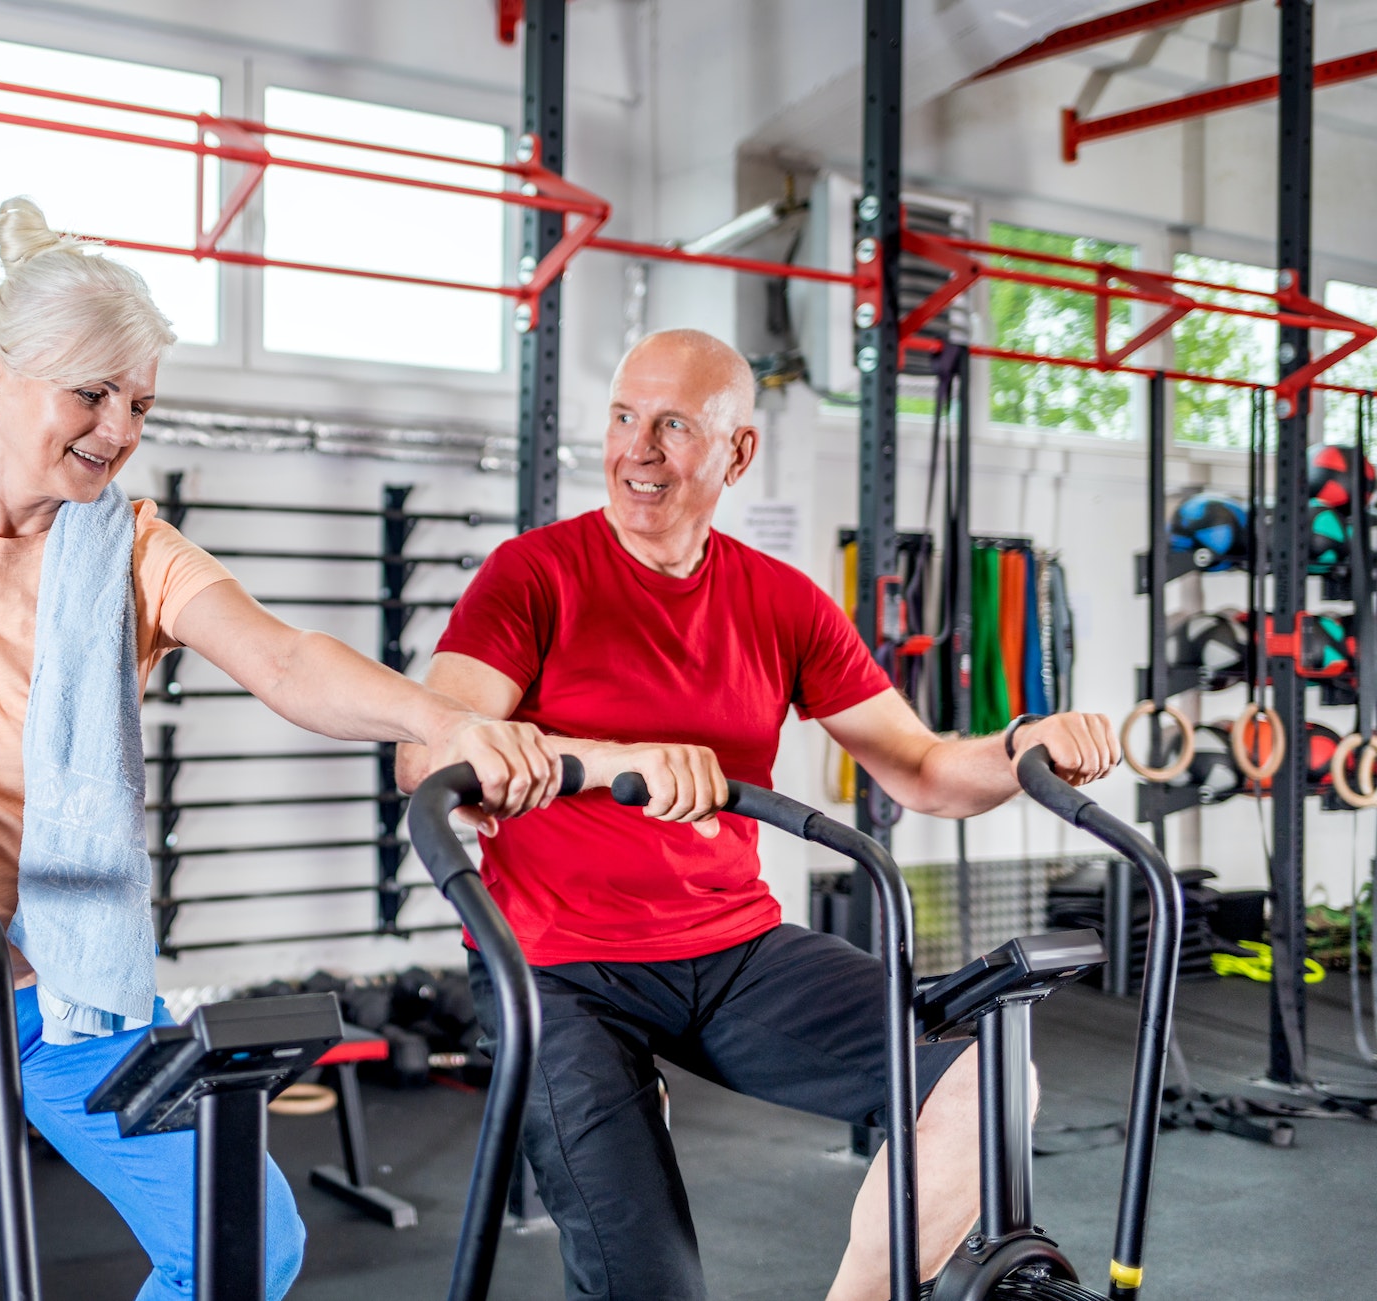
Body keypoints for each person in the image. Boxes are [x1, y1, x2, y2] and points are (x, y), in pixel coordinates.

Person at [0, 197, 564, 1301]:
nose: (119, 429)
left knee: (245, 1242)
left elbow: (284, 660)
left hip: (60, 994)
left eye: (138, 402)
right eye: (91, 393)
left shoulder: (130, 546)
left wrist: (441, 721)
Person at [397, 328, 1121, 1301]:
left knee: (987, 1080)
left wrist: (1019, 743)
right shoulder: (533, 574)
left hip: (729, 948)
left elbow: (919, 768)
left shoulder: (780, 600)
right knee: (649, 1284)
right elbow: (426, 746)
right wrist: (588, 763)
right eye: (620, 417)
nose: (635, 449)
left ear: (736, 451)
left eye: (672, 425)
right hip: (556, 964)